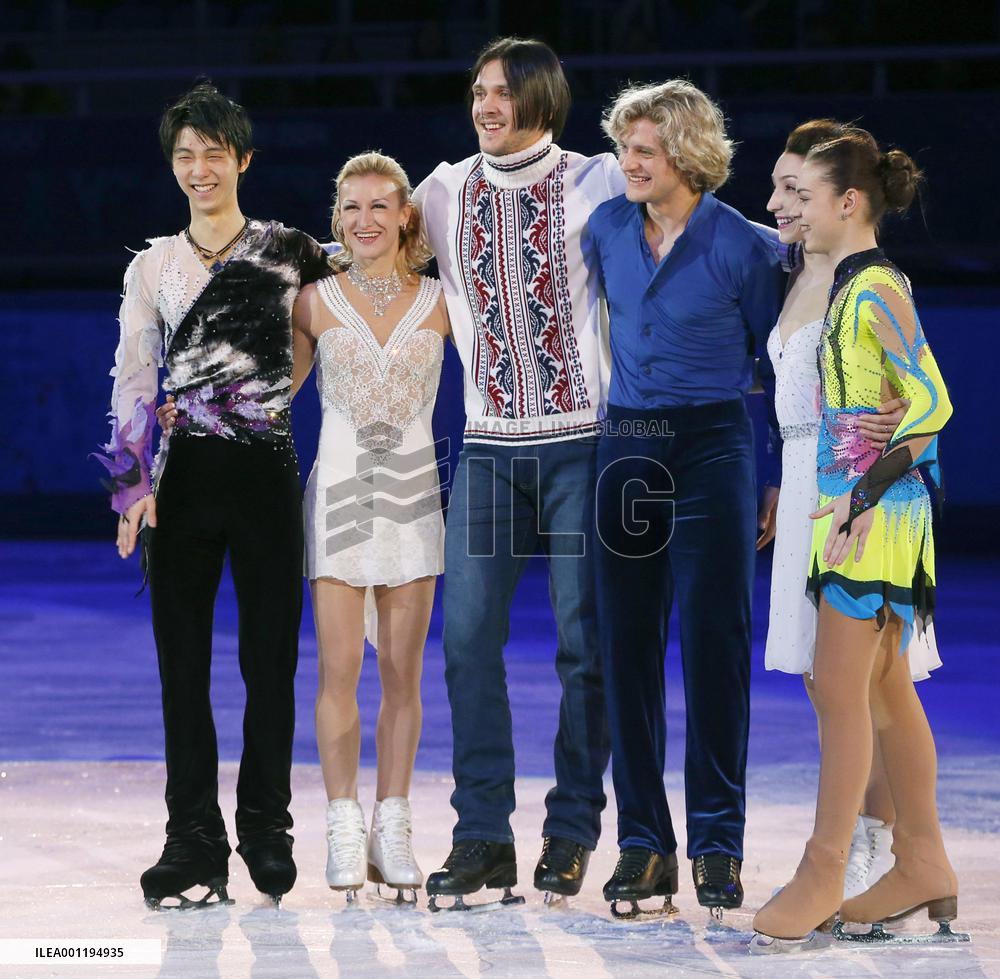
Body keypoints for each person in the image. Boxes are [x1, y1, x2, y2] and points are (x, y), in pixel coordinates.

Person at [94, 82, 332, 909]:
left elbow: (321, 332)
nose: (199, 169)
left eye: (214, 154)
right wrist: (130, 488)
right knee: (181, 670)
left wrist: (263, 397)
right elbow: (133, 376)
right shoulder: (152, 265)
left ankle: (267, 827)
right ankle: (192, 839)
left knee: (271, 663)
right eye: (185, 156)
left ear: (244, 160)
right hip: (183, 480)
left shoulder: (288, 249)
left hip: (267, 472)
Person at [413, 37, 625, 907]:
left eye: (502, 92)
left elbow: (683, 236)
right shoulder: (441, 191)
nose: (486, 106)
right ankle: (482, 834)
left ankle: (572, 828)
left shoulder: (599, 179)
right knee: (465, 639)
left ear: (541, 96)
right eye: (478, 92)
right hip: (488, 448)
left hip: (586, 444)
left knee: (586, 647)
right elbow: (362, 246)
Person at [751, 130, 957, 949]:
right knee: (879, 692)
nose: (781, 207)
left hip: (878, 511)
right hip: (858, 502)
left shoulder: (874, 288)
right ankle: (924, 859)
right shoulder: (846, 287)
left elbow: (933, 404)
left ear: (848, 201)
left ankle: (824, 866)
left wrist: (860, 495)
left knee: (842, 688)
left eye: (798, 192)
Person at [586, 79, 784, 917]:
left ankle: (716, 843)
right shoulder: (604, 229)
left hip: (714, 443)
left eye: (645, 150)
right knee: (625, 648)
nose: (627, 162)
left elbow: (778, 364)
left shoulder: (746, 245)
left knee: (715, 646)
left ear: (687, 155)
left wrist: (769, 469)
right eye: (624, 147)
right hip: (627, 443)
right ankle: (643, 844)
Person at [294, 152, 449, 903]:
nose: (365, 220)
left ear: (406, 215)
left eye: (380, 205)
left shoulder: (442, 302)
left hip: (416, 496)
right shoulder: (314, 301)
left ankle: (393, 820)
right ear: (336, 218)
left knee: (401, 675)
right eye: (351, 207)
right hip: (340, 495)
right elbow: (264, 394)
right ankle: (343, 821)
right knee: (336, 673)